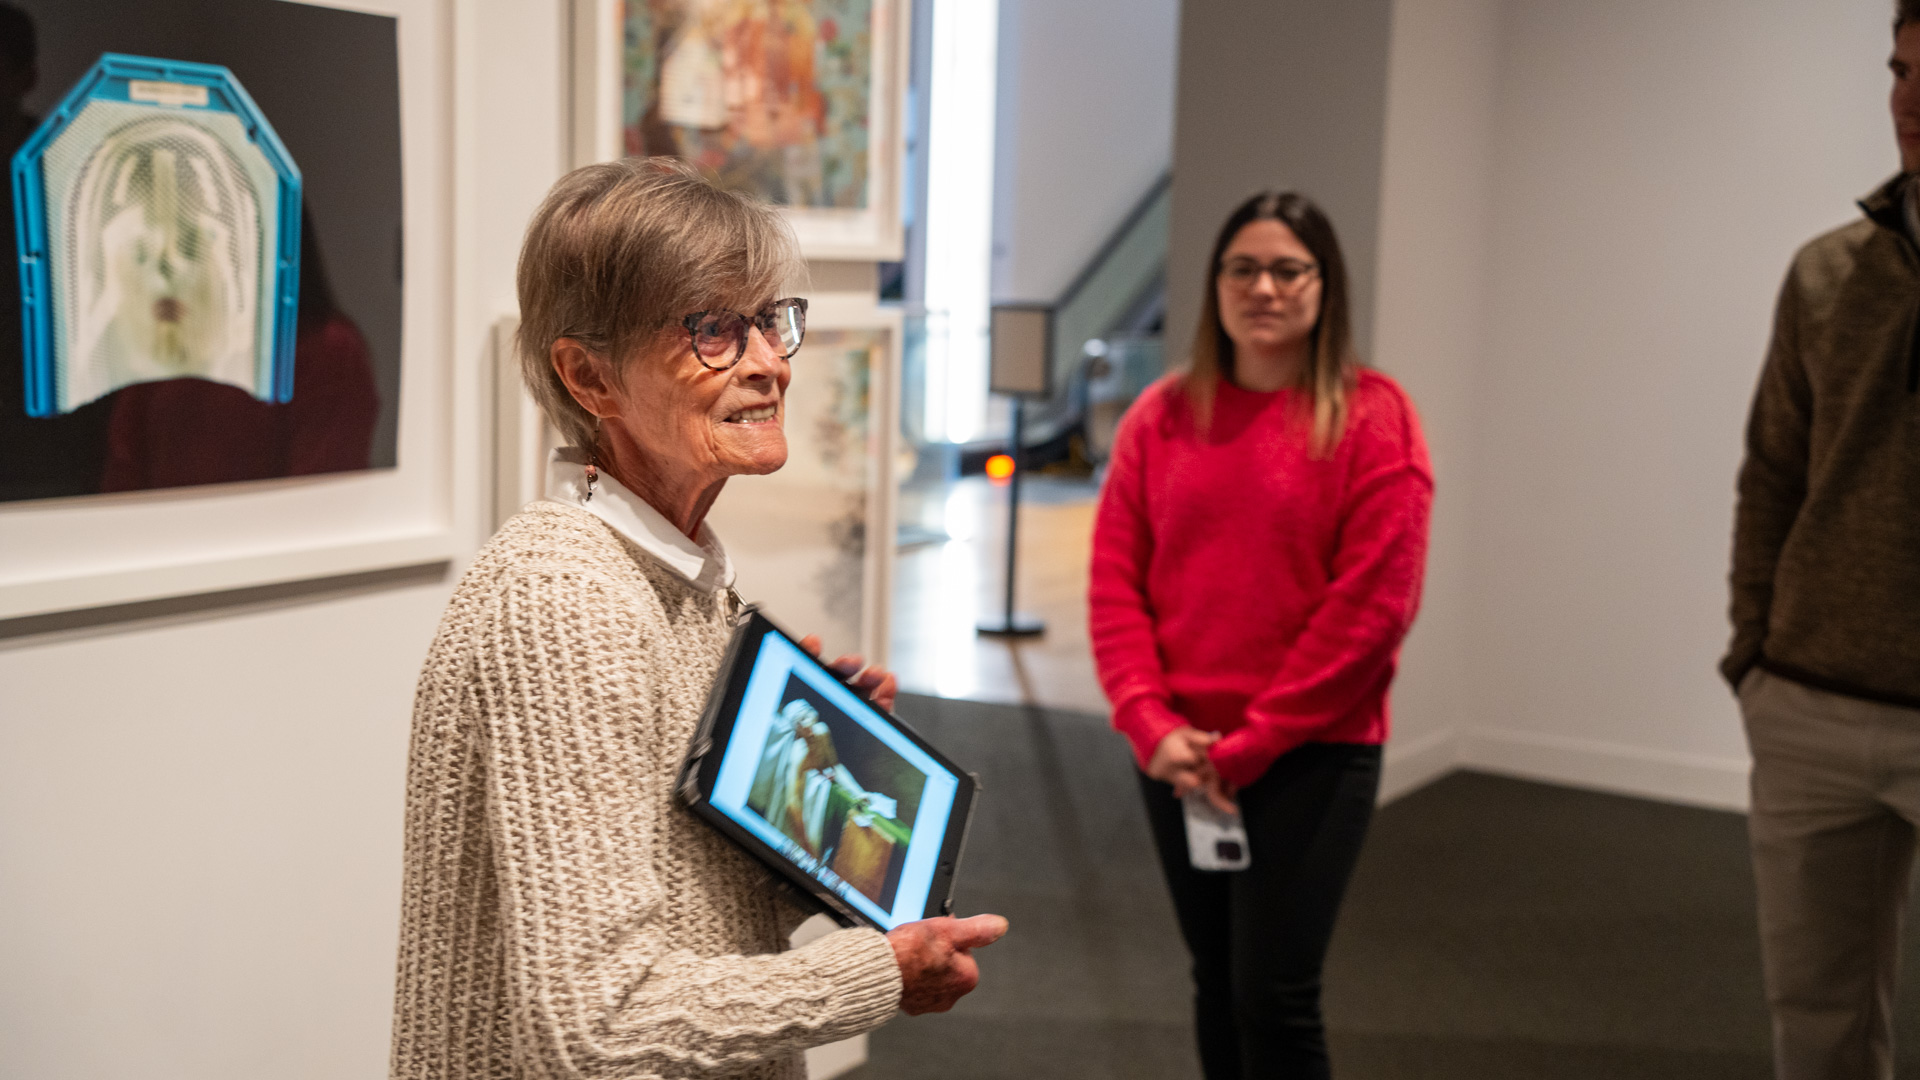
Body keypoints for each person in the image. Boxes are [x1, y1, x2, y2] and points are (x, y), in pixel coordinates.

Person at [391, 158, 1006, 1080]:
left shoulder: (686, 580)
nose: (767, 362)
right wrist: (874, 972)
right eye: (712, 329)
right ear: (589, 376)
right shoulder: (561, 597)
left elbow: (686, 908)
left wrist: (792, 798)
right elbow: (602, 1024)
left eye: (769, 320)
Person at [1089, 191, 1431, 1080]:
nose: (1264, 288)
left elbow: (1372, 613)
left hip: (1311, 754)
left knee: (1275, 994)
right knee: (1216, 981)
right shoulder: (1160, 417)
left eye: (1289, 269)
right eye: (1243, 268)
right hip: (1177, 758)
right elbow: (1116, 586)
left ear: (1325, 287)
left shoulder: (1373, 419)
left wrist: (1252, 743)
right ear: (1215, 285)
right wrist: (1151, 725)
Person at [1726, 6, 1920, 1077]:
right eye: (1899, 70)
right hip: (1809, 708)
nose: (1909, 99)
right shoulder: (1824, 273)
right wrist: (1754, 652)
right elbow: (1772, 475)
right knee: (1818, 1025)